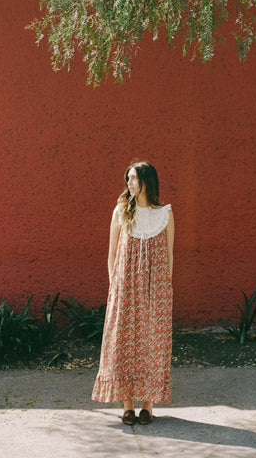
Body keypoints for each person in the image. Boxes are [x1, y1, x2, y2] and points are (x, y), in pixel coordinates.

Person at [92, 161, 174, 425]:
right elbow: (111, 254)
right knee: (124, 341)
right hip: (125, 288)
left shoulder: (166, 214)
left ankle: (147, 406)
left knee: (152, 344)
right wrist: (113, 286)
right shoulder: (120, 212)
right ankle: (128, 405)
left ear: (148, 181)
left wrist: (165, 290)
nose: (129, 183)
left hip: (156, 290)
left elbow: (169, 255)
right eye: (128, 178)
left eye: (134, 178)